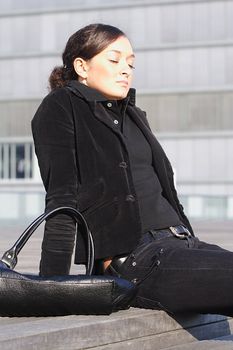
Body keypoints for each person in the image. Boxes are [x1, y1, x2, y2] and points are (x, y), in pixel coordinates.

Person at [32, 23, 233, 316]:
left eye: (130, 63)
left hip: (183, 245)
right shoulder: (61, 107)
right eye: (114, 60)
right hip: (137, 259)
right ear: (81, 66)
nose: (126, 69)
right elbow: (62, 199)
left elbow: (164, 190)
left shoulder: (133, 115)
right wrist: (50, 286)